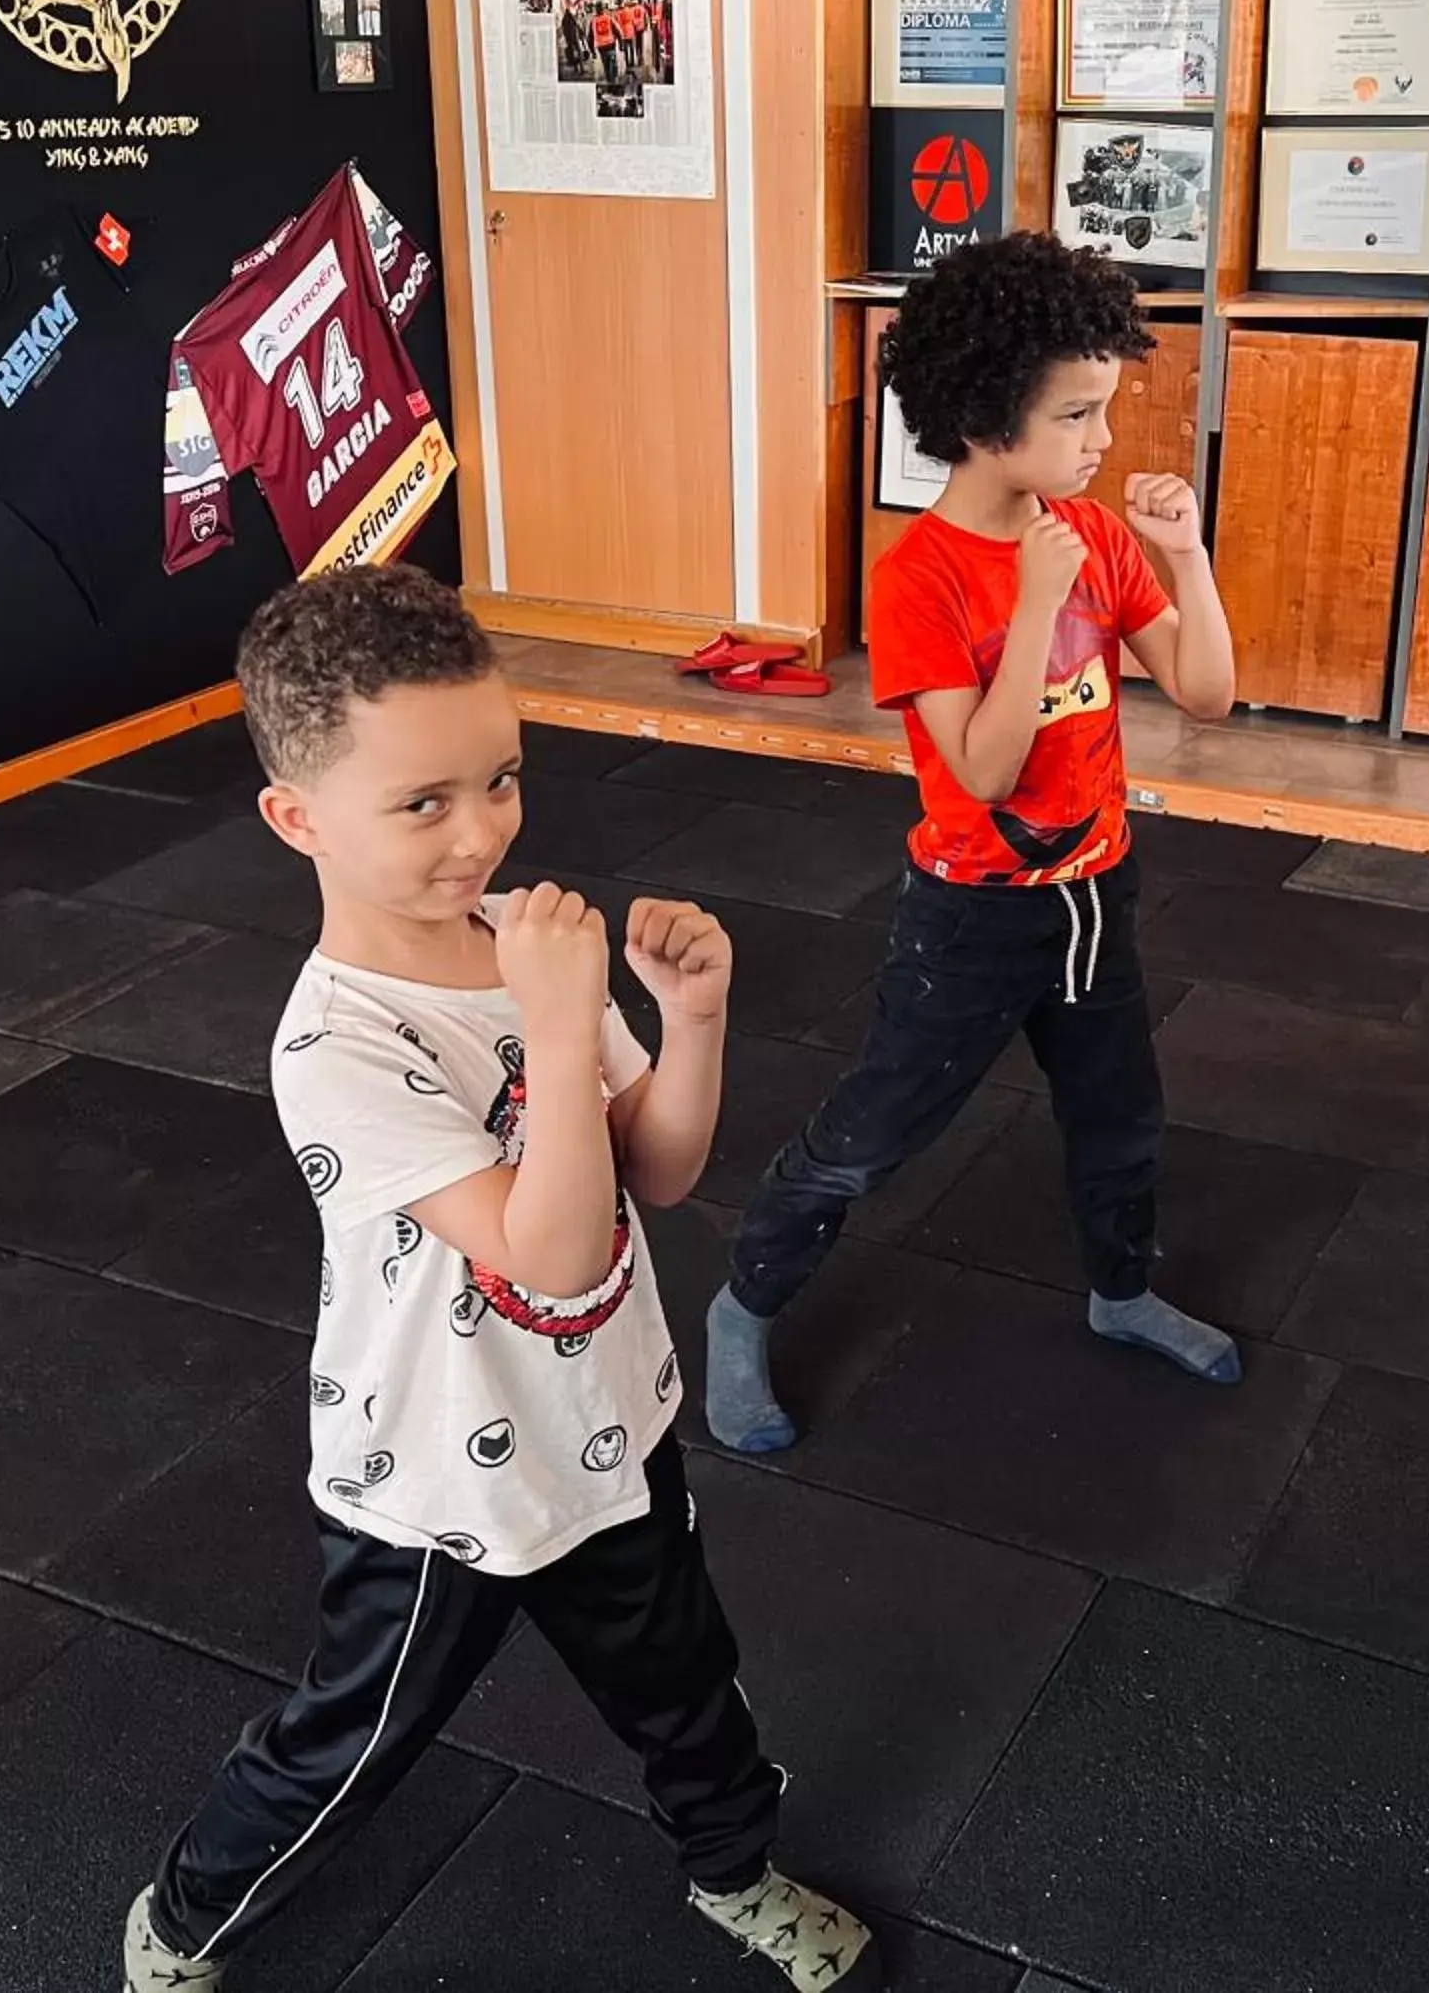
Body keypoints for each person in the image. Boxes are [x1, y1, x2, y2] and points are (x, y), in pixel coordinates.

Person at [122, 568, 877, 1993]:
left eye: (503, 779)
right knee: (350, 1739)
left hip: (609, 1418)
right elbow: (549, 1244)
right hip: (435, 1481)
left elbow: (655, 1169)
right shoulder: (337, 1047)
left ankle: (733, 1871)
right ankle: (185, 1911)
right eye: (423, 804)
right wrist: (548, 1006)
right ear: (299, 819)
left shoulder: (523, 943)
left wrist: (693, 1018)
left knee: (687, 1685)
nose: (480, 832)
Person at [704, 233, 1240, 1455]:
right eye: (1077, 414)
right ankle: (744, 1308)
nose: (1101, 440)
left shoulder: (1098, 536)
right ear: (989, 420)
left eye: (1105, 409)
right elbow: (985, 771)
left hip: (1095, 893)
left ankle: (1121, 1291)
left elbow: (1206, 695)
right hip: (974, 916)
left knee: (1122, 1116)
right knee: (872, 1136)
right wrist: (1040, 602)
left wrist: (1187, 557)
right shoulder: (920, 581)